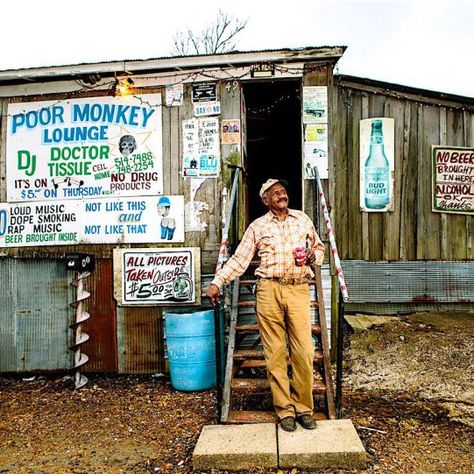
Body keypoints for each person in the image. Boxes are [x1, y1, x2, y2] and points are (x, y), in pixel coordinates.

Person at [206, 178, 325, 432]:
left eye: (283, 191)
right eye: (275, 193)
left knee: (304, 351)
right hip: (269, 290)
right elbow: (240, 259)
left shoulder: (302, 219)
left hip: (298, 289)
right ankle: (285, 411)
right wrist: (218, 282)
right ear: (266, 200)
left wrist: (316, 255)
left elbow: (319, 247)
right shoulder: (257, 227)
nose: (281, 195)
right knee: (275, 353)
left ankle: (304, 408)